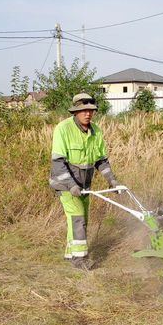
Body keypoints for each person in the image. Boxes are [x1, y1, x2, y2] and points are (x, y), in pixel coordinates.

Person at [49, 93, 120, 270]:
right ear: (75, 112)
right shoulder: (63, 129)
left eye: (91, 110)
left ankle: (70, 253)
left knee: (80, 219)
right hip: (65, 184)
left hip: (84, 186)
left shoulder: (96, 131)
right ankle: (80, 260)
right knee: (78, 217)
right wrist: (72, 186)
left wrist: (113, 181)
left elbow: (101, 161)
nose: (87, 114)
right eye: (83, 110)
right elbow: (58, 163)